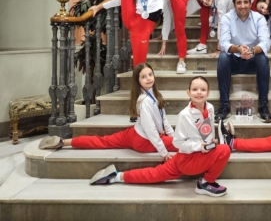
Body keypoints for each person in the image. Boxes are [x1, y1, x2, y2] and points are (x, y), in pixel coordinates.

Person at [88, 76, 231, 198]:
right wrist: (199, 146)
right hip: (186, 158)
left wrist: (210, 141)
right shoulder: (184, 115)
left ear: (208, 93)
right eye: (194, 89)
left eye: (203, 90)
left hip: (197, 154)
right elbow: (178, 143)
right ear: (188, 92)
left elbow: (208, 128)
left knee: (154, 174)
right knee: (224, 150)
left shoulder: (210, 108)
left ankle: (116, 176)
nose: (199, 93)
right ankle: (205, 183)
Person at [38, 63, 177, 159]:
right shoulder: (145, 101)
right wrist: (164, 153)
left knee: (103, 141)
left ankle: (64, 142)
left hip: (134, 133)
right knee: (180, 145)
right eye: (143, 76)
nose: (148, 78)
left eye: (150, 74)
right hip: (144, 140)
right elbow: (151, 130)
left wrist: (173, 135)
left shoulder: (156, 95)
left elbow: (163, 120)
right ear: (138, 81)